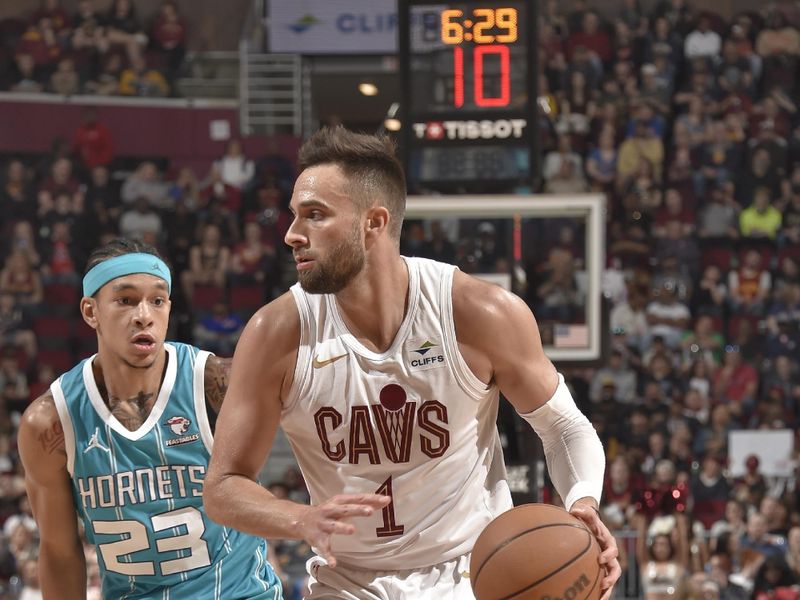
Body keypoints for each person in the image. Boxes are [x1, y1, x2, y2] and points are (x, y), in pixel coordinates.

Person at [204, 127, 621, 599]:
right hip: (347, 578)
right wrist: (302, 518)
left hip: (471, 570)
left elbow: (563, 425)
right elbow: (223, 487)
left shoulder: (478, 312)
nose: (291, 234)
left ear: (374, 222)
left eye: (314, 215)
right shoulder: (275, 332)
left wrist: (583, 502)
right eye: (295, 216)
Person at [17, 238, 282, 599]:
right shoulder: (49, 422)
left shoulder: (214, 383)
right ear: (90, 311)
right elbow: (61, 553)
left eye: (157, 300)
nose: (144, 315)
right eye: (126, 300)